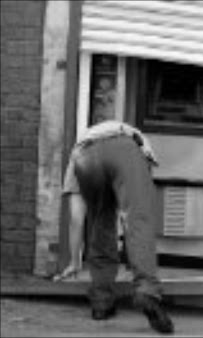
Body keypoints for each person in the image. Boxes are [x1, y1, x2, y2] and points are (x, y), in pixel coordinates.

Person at [53, 120, 174, 334]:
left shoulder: (77, 153)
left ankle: (101, 302)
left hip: (85, 160)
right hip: (123, 150)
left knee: (100, 222)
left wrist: (74, 261)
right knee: (138, 217)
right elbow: (136, 214)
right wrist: (134, 256)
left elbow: (76, 219)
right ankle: (147, 291)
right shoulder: (132, 138)